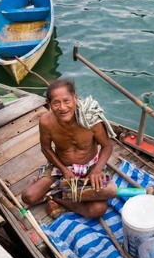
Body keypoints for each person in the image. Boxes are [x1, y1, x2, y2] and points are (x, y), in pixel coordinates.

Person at [22, 78, 114, 219]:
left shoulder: (90, 119)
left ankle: (57, 197)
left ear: (75, 98)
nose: (63, 107)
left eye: (67, 101)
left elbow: (107, 146)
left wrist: (96, 170)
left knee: (98, 209)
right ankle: (56, 190)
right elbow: (46, 148)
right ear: (49, 104)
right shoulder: (46, 122)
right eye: (56, 103)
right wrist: (64, 170)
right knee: (28, 197)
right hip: (61, 166)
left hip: (90, 167)